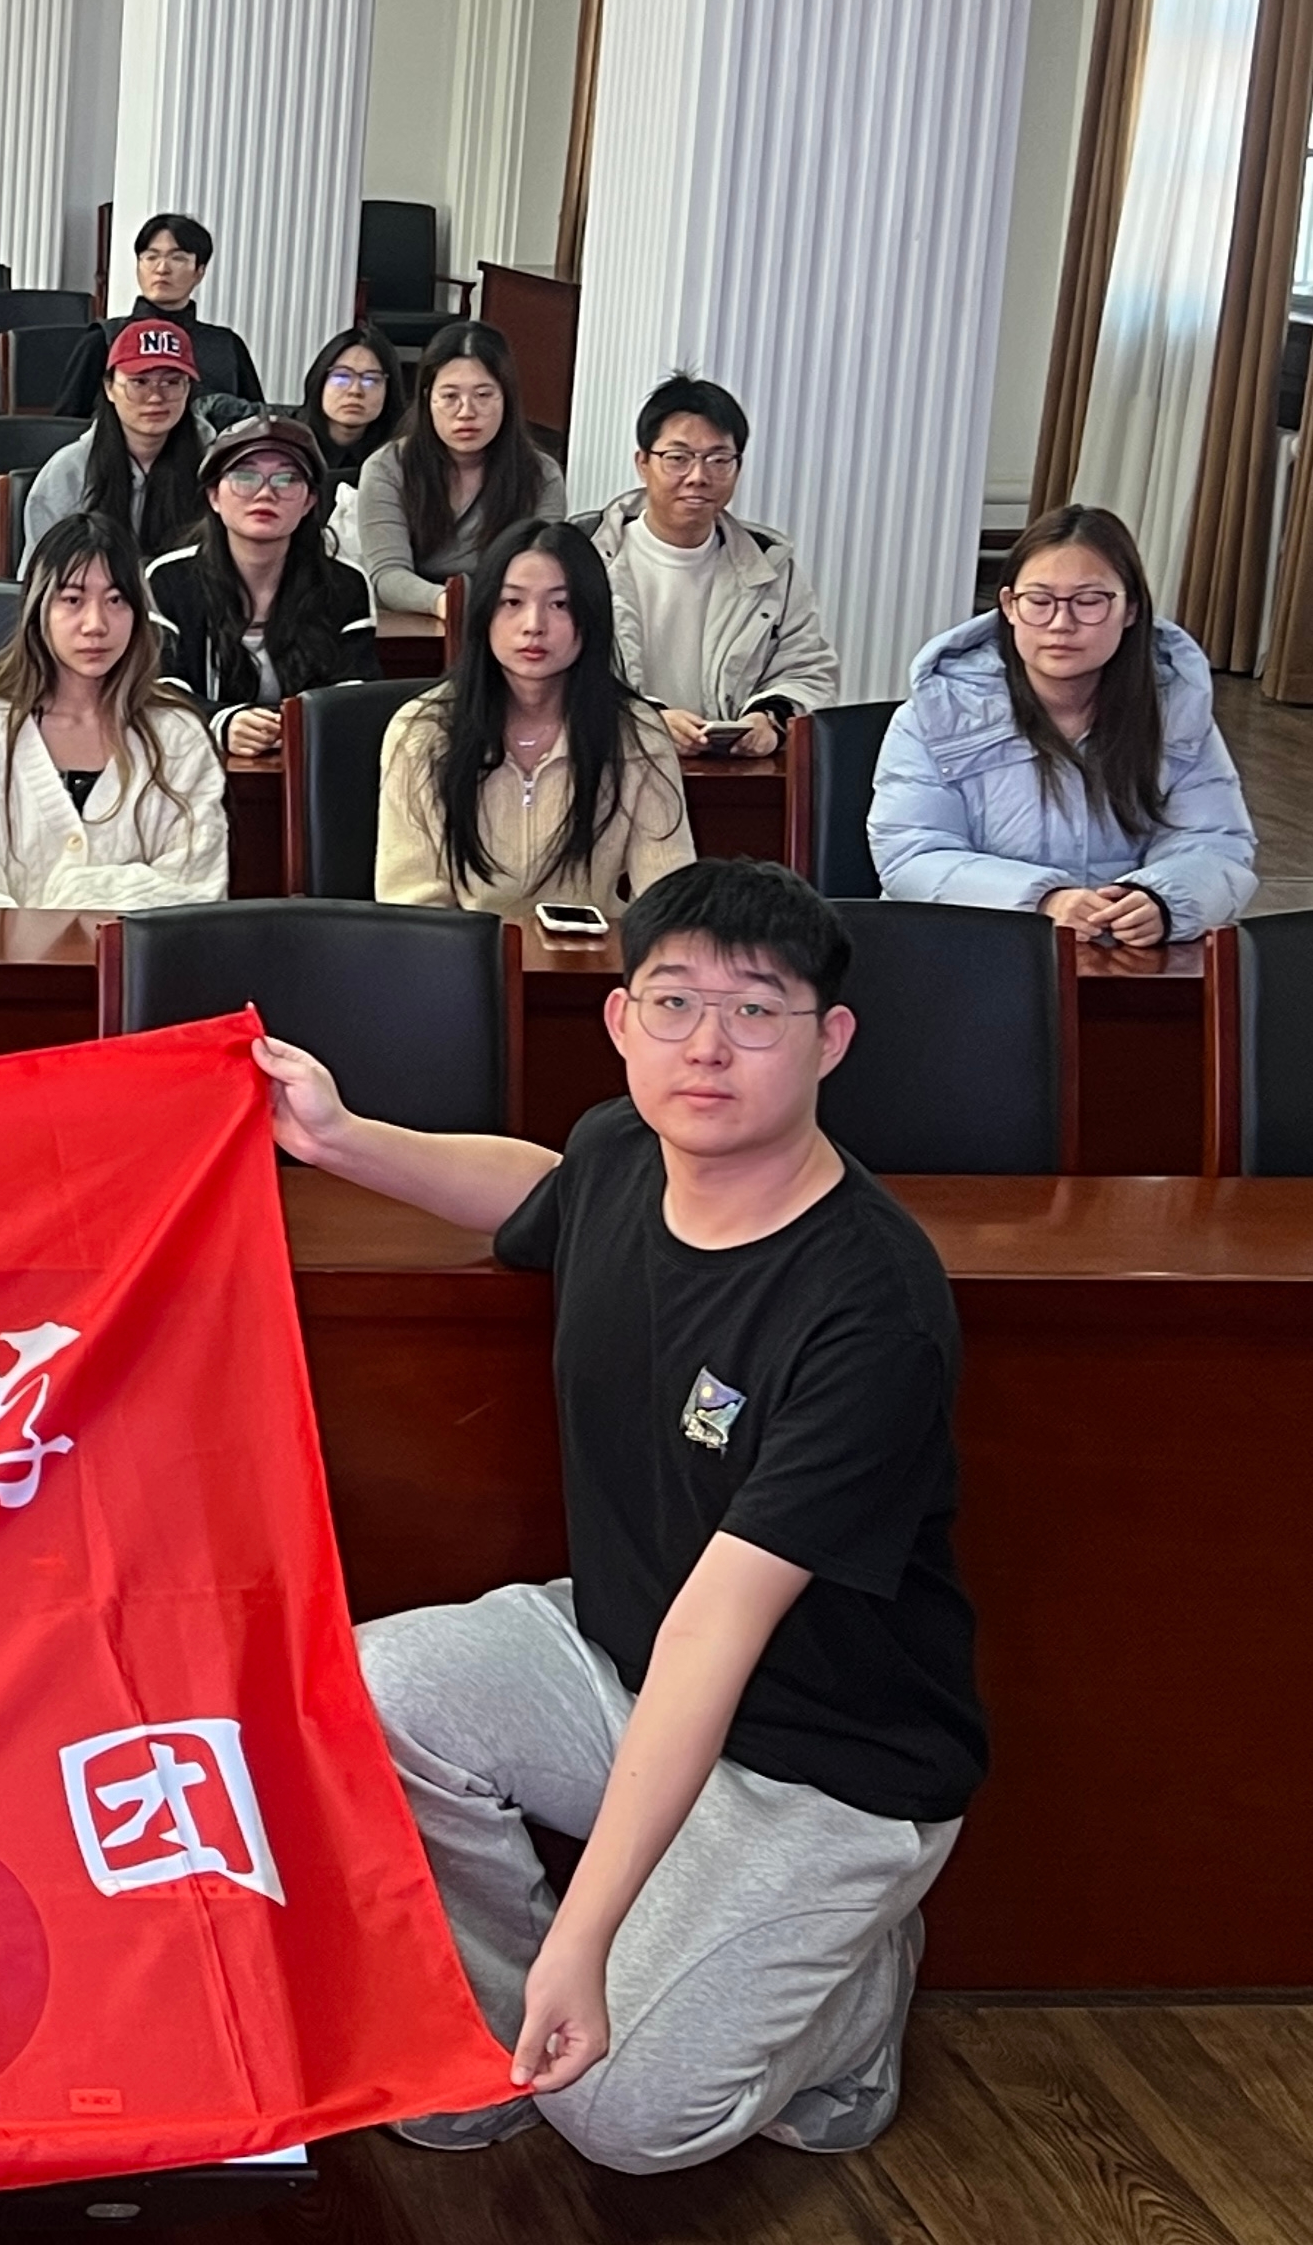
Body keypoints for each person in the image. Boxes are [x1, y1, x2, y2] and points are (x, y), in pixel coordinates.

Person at [263, 858, 981, 2174]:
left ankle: (854, 1999)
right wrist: (337, 1136)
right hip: (624, 1660)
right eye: (672, 1002)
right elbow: (539, 1189)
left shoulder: (867, 1309)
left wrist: (585, 1937)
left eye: (754, 1009)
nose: (706, 1044)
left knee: (622, 2121)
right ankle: (500, 2034)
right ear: (619, 1020)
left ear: (828, 1039)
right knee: (364, 1693)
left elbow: (718, 1632)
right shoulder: (622, 1152)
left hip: (821, 1758)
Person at [871, 502, 1255, 944]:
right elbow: (912, 855)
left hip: (1122, 955)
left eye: (1089, 602)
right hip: (969, 950)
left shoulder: (1176, 711)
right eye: (1039, 601)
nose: (1061, 623)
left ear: (1131, 609)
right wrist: (1043, 900)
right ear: (1008, 606)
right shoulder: (936, 713)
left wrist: (1163, 900)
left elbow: (1216, 842)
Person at [378, 519, 692, 926]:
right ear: (484, 613)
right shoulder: (423, 732)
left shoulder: (638, 734)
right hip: (464, 961)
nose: (533, 625)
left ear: (591, 616)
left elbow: (669, 903)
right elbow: (413, 910)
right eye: (512, 602)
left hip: (594, 959)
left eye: (559, 604)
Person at [0, 513, 227, 908]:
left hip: (134, 954)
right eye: (73, 600)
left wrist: (73, 900)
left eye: (116, 600)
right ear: (39, 609)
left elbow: (197, 891)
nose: (95, 624)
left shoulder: (178, 737)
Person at [577, 375, 840, 757]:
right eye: (678, 458)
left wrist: (769, 719)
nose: (698, 477)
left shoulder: (770, 568)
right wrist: (646, 721)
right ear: (643, 463)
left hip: (727, 772)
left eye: (718, 460)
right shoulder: (583, 556)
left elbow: (809, 671)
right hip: (611, 763)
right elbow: (556, 676)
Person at [141, 412, 381, 762]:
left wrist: (299, 726)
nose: (266, 493)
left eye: (287, 479)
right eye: (245, 476)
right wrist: (219, 722)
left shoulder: (346, 584)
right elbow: (158, 686)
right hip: (196, 763)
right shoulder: (169, 579)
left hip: (310, 763)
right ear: (214, 496)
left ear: (309, 501)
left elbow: (356, 691)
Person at [355, 320, 568, 615]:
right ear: (428, 398)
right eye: (450, 396)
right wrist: (449, 603)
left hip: (507, 618)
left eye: (483, 395)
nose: (466, 412)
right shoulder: (387, 468)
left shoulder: (541, 474)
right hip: (414, 619)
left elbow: (541, 574)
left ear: (506, 398)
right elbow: (387, 574)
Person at [20, 317, 248, 563]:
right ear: (109, 388)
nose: (155, 397)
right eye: (139, 382)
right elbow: (43, 575)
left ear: (189, 389)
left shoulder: (215, 467)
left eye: (171, 382)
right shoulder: (68, 472)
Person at [66, 212, 262, 409]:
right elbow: (67, 421)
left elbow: (256, 420)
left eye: (177, 258)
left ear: (199, 272)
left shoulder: (226, 346)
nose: (161, 269)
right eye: (151, 257)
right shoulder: (102, 339)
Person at [302, 323, 403, 563]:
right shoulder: (290, 443)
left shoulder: (399, 456)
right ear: (319, 380)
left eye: (371, 380)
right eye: (341, 377)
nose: (355, 391)